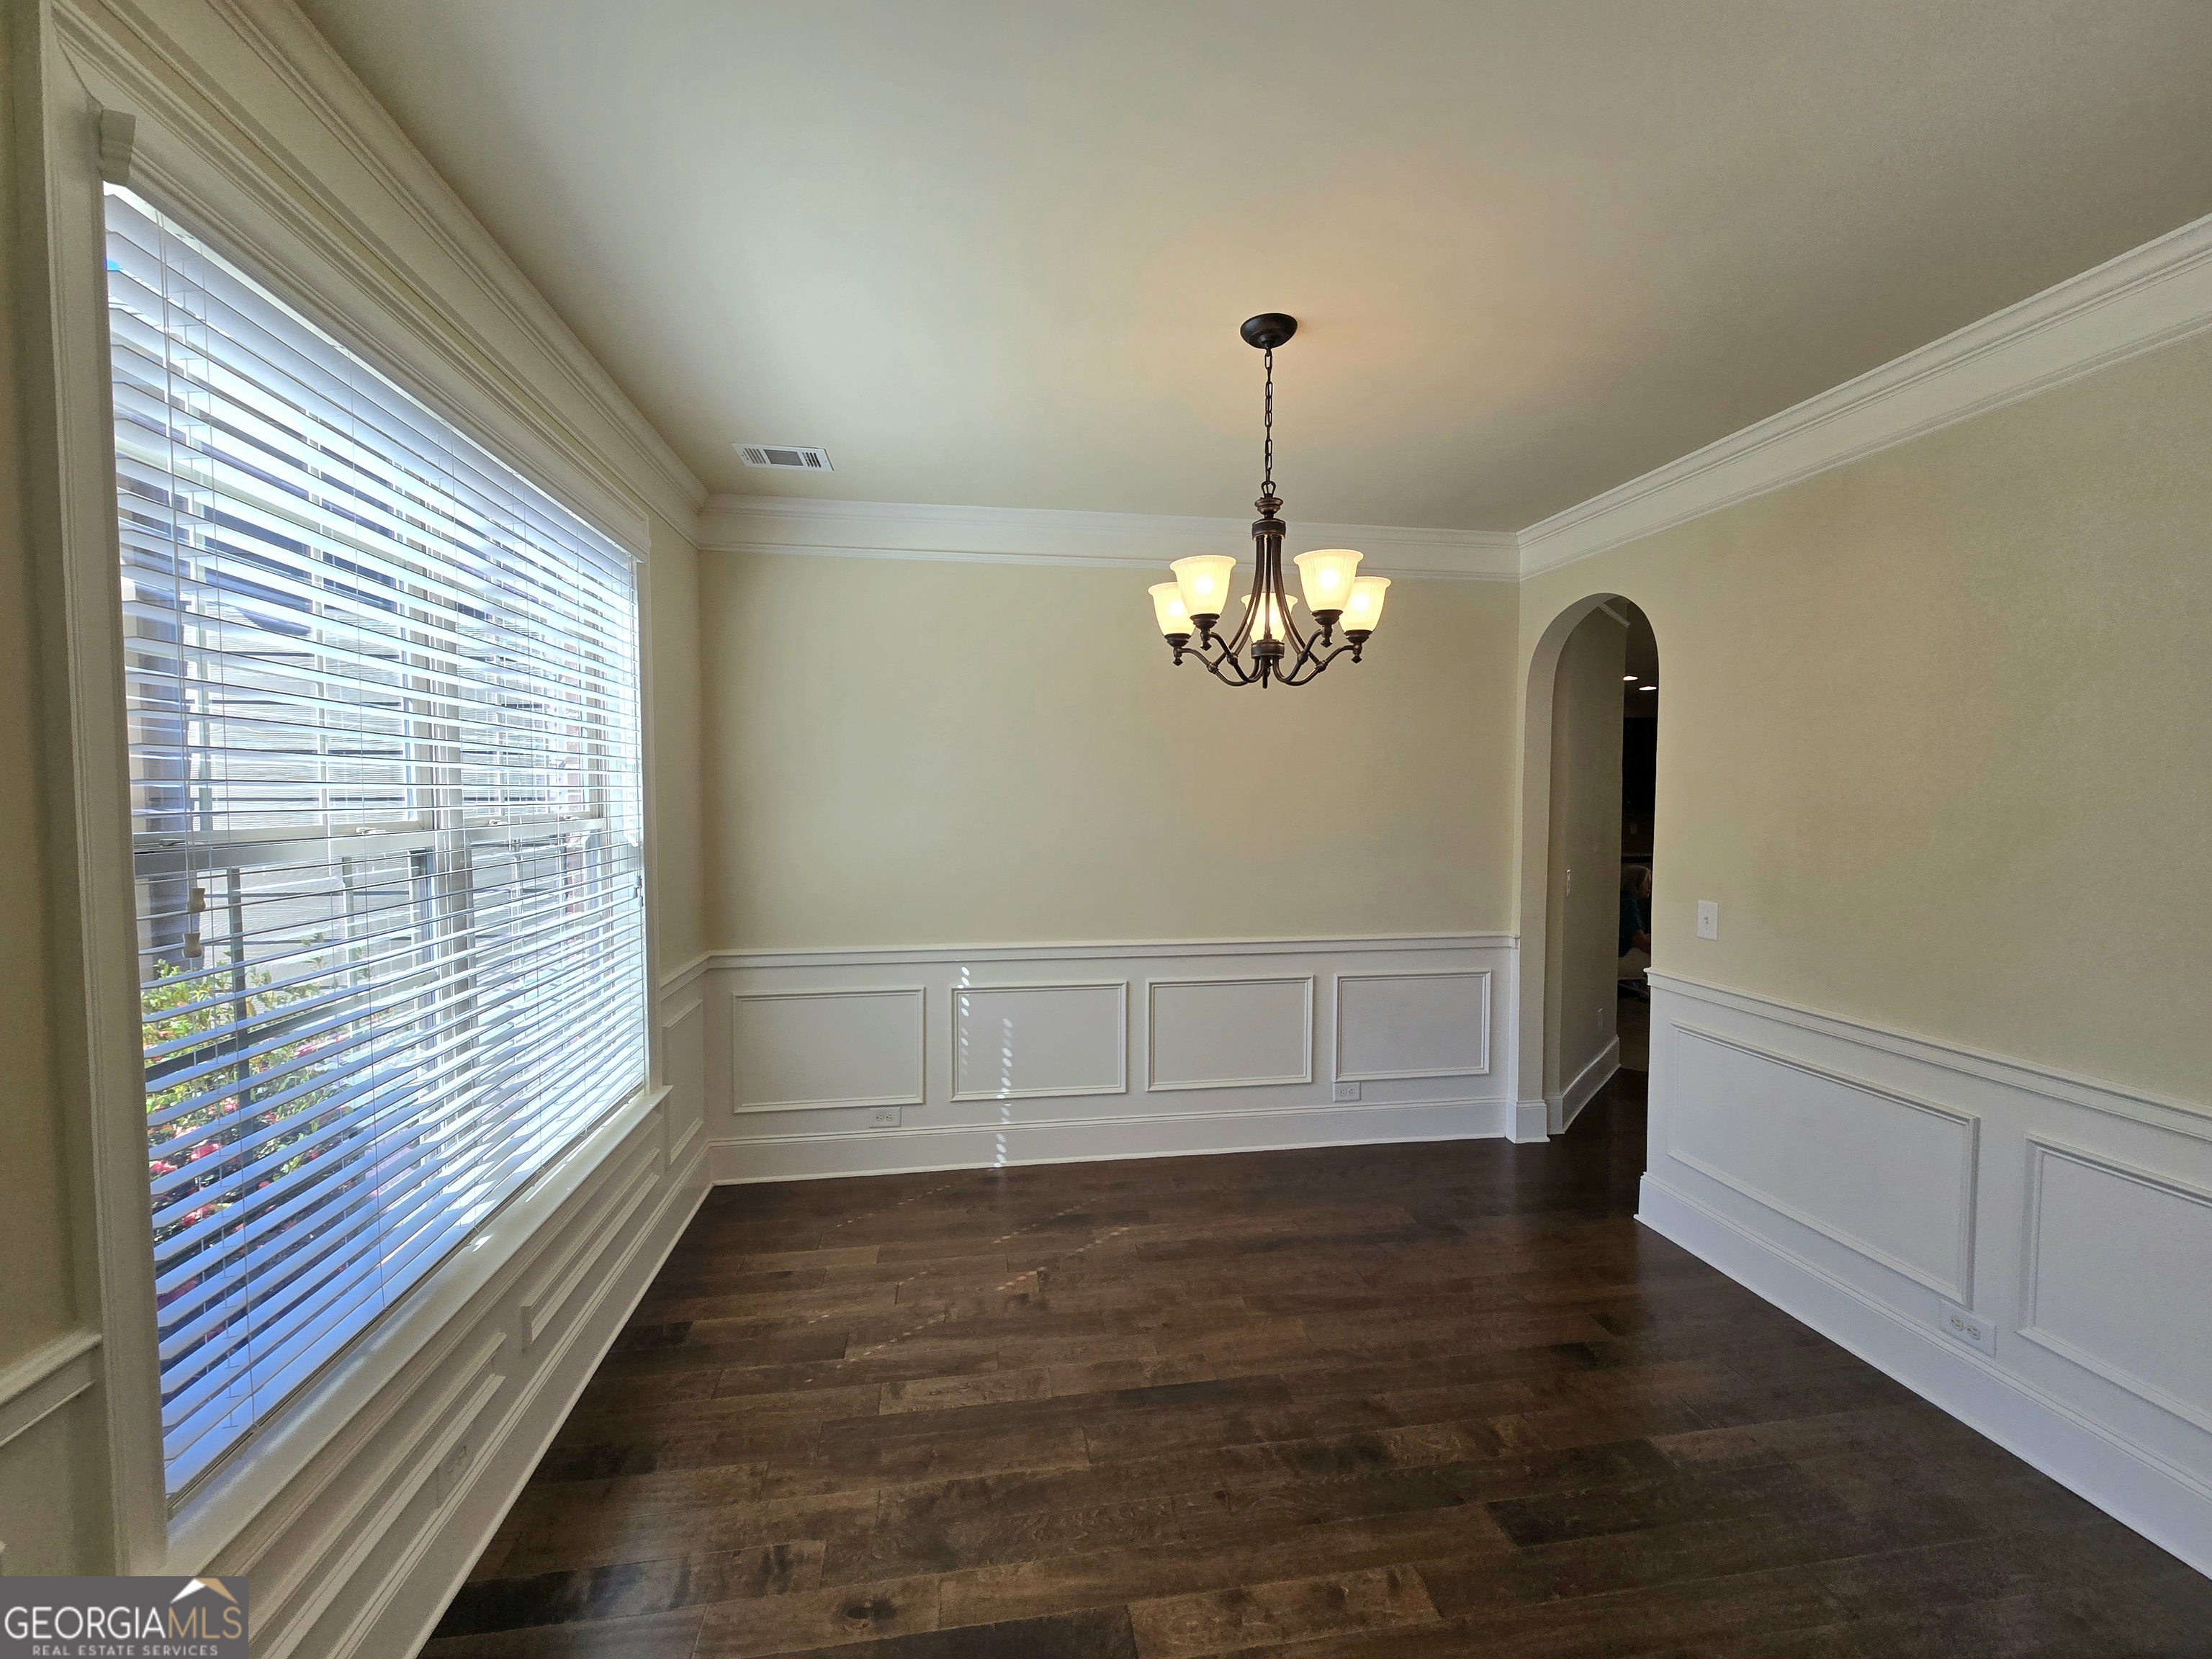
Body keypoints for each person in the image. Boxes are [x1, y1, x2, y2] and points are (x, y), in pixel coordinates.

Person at [1618, 864, 1653, 999]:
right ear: (1636, 884)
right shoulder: (1629, 904)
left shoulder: (1623, 900)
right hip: (1622, 956)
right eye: (1647, 883)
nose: (1650, 887)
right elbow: (1641, 942)